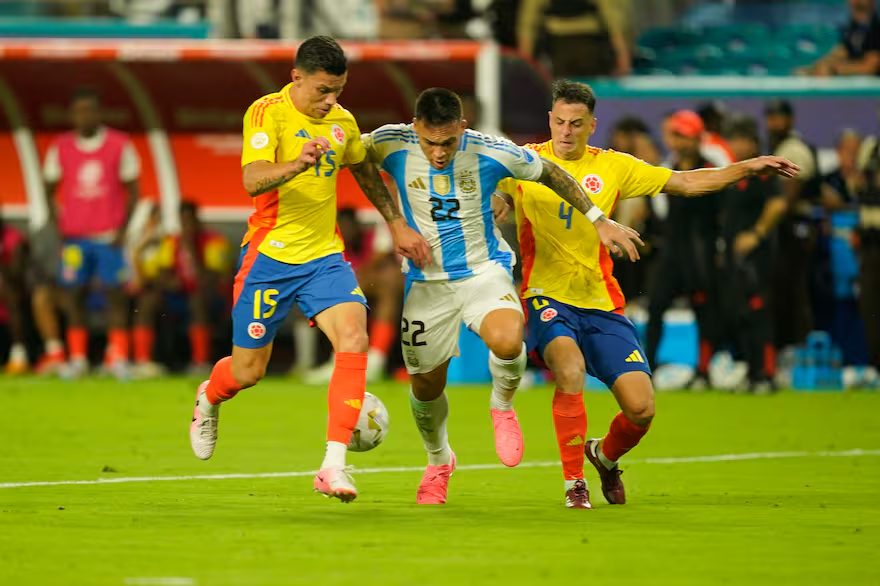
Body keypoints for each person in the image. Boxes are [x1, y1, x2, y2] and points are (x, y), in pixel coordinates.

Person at [495, 80, 798, 509]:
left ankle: (603, 455)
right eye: (559, 121)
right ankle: (573, 483)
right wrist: (495, 198)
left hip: (601, 300)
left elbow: (687, 183)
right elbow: (485, 184)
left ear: (592, 126)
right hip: (545, 295)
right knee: (569, 366)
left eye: (576, 124)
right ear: (549, 120)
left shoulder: (615, 166)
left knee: (641, 410)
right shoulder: (523, 162)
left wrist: (745, 168)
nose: (566, 131)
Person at [363, 87, 644, 505]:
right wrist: (394, 221)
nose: (439, 153)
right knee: (425, 387)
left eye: (448, 142)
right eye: (429, 142)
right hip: (427, 282)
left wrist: (598, 219)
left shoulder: (492, 150)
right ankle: (439, 460)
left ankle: (502, 405)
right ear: (415, 127)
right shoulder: (389, 141)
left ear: (462, 127)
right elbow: (353, 158)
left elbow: (552, 173)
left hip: (483, 270)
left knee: (509, 339)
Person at [187, 36, 430, 503]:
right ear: (296, 78)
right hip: (269, 258)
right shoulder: (266, 112)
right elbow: (252, 178)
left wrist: (396, 223)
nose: (331, 100)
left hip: (323, 258)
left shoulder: (342, 122)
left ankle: (333, 465)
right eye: (323, 90)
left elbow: (360, 169)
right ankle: (210, 396)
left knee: (353, 338)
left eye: (338, 90)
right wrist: (296, 164)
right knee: (247, 371)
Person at [44, 87, 140, 379]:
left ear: (99, 113)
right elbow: (49, 188)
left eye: (89, 110)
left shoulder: (119, 144)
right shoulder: (60, 147)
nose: (84, 116)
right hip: (74, 237)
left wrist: (123, 229)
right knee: (73, 295)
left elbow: (133, 191)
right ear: (72, 114)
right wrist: (58, 224)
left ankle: (118, 357)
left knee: (116, 296)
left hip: (108, 236)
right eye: (79, 111)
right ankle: (78, 359)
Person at [647, 110, 722, 388]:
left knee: (705, 313)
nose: (679, 142)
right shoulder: (669, 167)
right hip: (673, 252)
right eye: (676, 135)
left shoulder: (712, 169)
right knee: (656, 308)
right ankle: (648, 369)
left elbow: (720, 214)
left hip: (701, 254)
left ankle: (704, 371)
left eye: (684, 136)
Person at [718, 117, 787, 392]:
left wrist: (756, 234)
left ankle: (767, 374)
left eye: (737, 140)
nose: (733, 146)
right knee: (741, 312)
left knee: (759, 312)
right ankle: (752, 371)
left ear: (751, 142)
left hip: (759, 256)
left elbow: (778, 204)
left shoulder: (764, 172)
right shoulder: (736, 174)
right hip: (736, 258)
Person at [304, 207, 403, 383]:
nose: (347, 230)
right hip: (332, 297)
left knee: (386, 286)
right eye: (342, 226)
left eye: (350, 226)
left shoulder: (371, 239)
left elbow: (380, 262)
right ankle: (335, 360)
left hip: (371, 293)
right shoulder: (327, 244)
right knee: (338, 293)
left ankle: (375, 361)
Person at [764, 99, 820, 352]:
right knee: (785, 290)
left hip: (796, 227)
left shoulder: (793, 148)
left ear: (790, 120)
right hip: (786, 228)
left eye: (778, 117)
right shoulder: (778, 146)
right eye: (770, 117)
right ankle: (789, 348)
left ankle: (800, 349)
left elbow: (788, 198)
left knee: (795, 290)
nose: (773, 123)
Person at [517, 0, 632, 77]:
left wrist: (525, 65)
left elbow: (528, 24)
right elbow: (613, 20)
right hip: (588, 47)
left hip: (560, 47)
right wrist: (623, 57)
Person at [799, 0, 880, 76]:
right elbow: (840, 52)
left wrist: (834, 70)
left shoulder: (875, 29)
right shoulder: (854, 28)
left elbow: (869, 68)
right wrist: (814, 68)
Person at [0, 215, 28, 374]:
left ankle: (19, 355)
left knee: (10, 293)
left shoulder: (12, 237)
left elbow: (16, 273)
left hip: (10, 286)